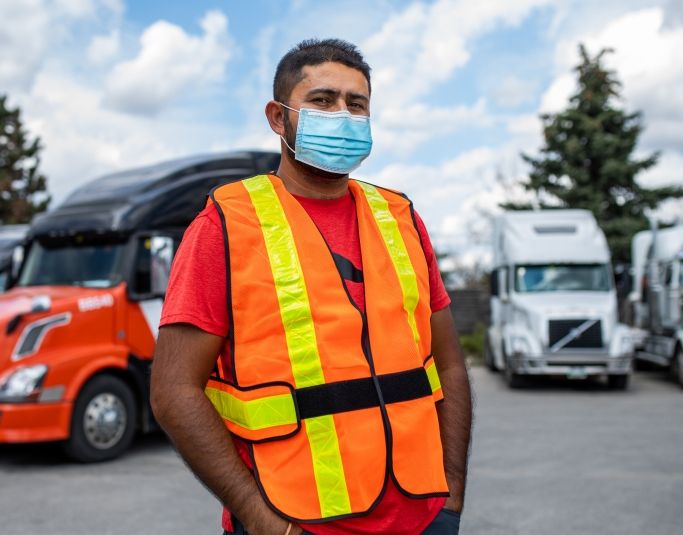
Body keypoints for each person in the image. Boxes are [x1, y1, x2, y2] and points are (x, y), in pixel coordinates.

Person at [151, 38, 472, 535]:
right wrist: (261, 520)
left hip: (423, 517)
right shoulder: (227, 224)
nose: (342, 114)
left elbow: (448, 364)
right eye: (322, 100)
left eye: (356, 103)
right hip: (297, 522)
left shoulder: (400, 216)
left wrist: (452, 491)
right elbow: (173, 391)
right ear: (279, 119)